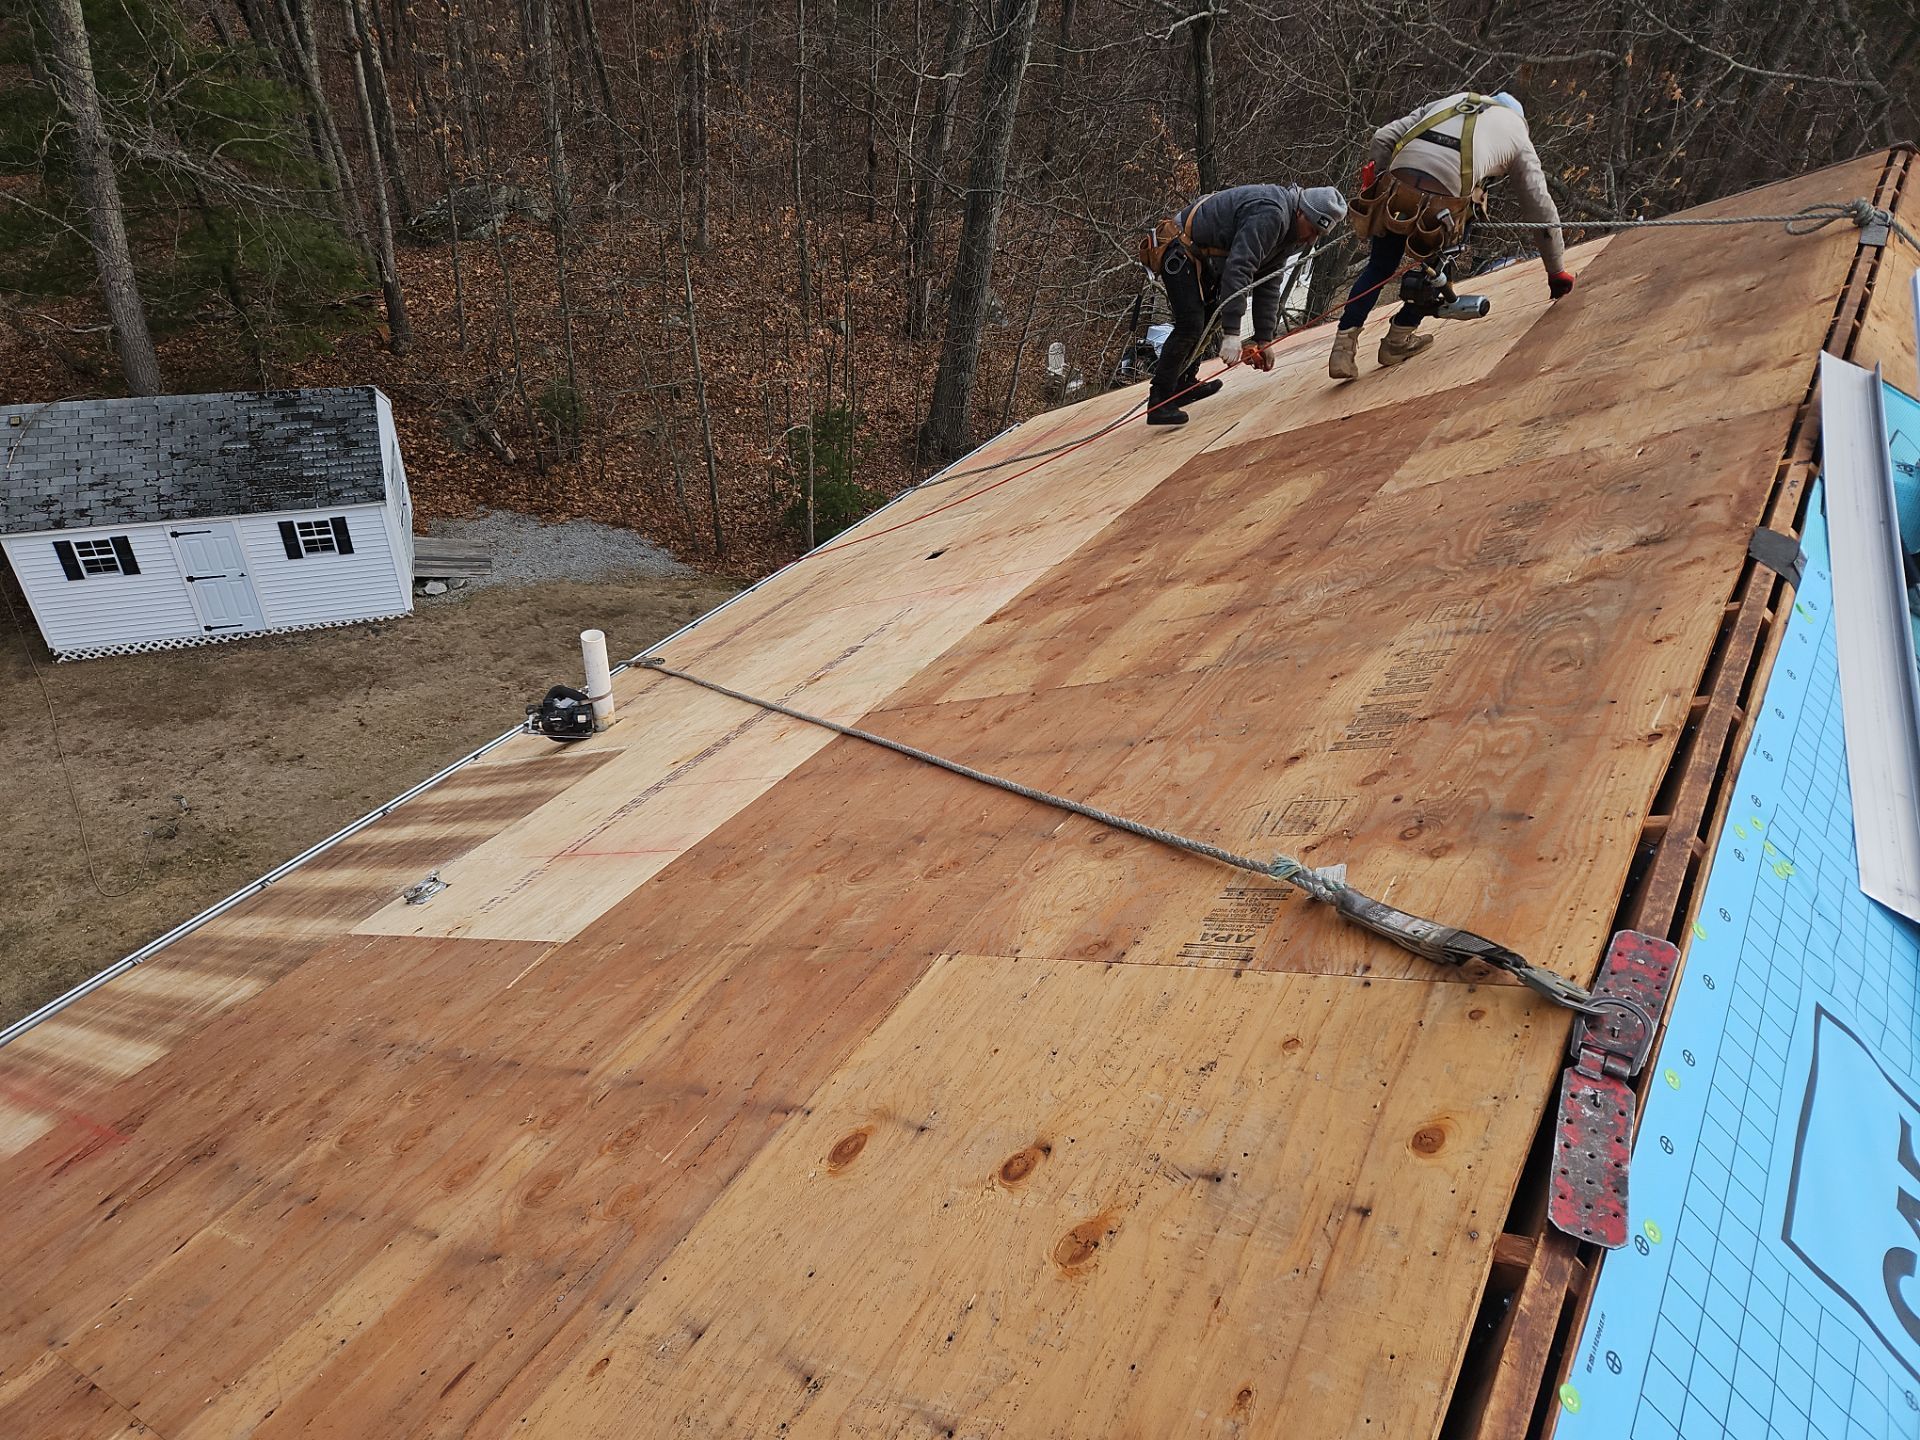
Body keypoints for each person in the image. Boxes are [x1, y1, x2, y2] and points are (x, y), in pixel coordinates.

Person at [1329, 91, 1572, 381]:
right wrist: (1556, 272)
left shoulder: (1454, 101)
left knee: (1379, 267)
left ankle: (1342, 350)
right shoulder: (1517, 132)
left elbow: (1382, 137)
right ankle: (1398, 339)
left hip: (1397, 188)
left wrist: (1382, 180)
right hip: (1444, 204)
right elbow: (1538, 203)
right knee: (1437, 271)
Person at [1145, 184, 1349, 426]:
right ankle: (1158, 401)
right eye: (1313, 229)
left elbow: (1269, 283)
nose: (1311, 239)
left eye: (1319, 235)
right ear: (1301, 213)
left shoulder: (1293, 234)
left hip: (1203, 255)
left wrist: (1264, 339)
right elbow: (1239, 270)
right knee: (1190, 324)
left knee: (1210, 315)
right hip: (1180, 247)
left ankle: (1183, 383)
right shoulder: (1271, 214)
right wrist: (1232, 334)